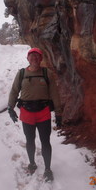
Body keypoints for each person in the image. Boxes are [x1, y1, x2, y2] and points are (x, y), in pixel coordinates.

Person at [7, 47, 62, 182]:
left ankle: (48, 169)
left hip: (43, 112)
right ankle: (32, 164)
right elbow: (14, 91)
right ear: (27, 59)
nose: (34, 59)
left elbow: (54, 93)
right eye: (31, 56)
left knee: (45, 141)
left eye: (37, 56)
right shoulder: (21, 74)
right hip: (27, 113)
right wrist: (10, 107)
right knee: (29, 140)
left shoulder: (47, 73)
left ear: (41, 59)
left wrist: (59, 113)